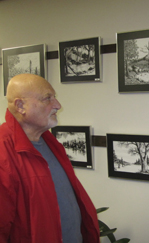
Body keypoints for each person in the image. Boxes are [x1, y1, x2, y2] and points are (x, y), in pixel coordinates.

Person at [0, 74, 100, 243]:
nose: (58, 105)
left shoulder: (50, 143)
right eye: (48, 98)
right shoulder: (4, 152)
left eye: (55, 97)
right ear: (20, 105)